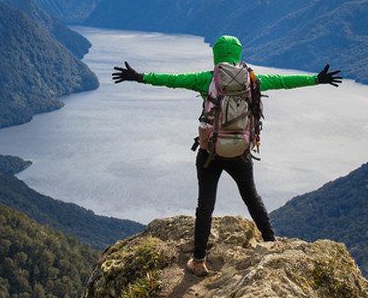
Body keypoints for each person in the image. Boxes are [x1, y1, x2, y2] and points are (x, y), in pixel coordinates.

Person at [112, 34, 341, 276]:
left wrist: (139, 77)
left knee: (205, 206)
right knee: (252, 197)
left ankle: (199, 260)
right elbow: (284, 81)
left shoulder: (207, 80)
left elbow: (172, 80)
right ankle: (271, 243)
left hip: (210, 152)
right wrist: (317, 79)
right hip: (241, 153)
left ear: (216, 55)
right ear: (238, 55)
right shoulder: (253, 81)